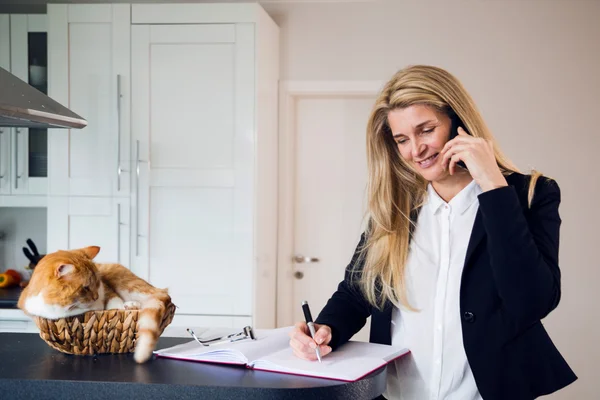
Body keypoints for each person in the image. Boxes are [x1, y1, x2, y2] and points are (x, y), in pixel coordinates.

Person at [288, 65, 577, 400]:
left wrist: (493, 187)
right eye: (401, 140)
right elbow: (357, 292)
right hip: (397, 393)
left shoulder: (529, 194)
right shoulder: (396, 207)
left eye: (426, 130)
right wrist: (325, 329)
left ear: (459, 123)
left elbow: (531, 301)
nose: (415, 150)